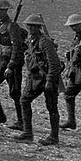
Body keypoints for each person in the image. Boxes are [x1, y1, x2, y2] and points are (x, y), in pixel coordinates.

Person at [17, 14, 62, 145]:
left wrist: (49, 80)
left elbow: (54, 63)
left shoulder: (44, 42)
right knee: (24, 100)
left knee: (52, 107)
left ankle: (54, 137)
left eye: (33, 26)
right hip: (35, 78)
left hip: (47, 78)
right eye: (29, 25)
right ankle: (27, 133)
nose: (30, 28)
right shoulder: (31, 39)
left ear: (39, 27)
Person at [0, 0, 27, 129]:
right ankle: (0, 116)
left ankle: (21, 121)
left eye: (1, 10)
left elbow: (17, 48)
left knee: (15, 93)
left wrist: (11, 65)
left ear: (6, 11)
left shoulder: (12, 26)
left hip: (11, 64)